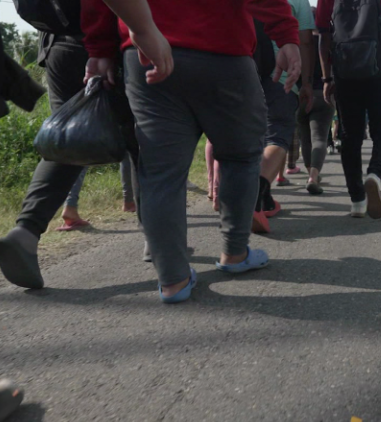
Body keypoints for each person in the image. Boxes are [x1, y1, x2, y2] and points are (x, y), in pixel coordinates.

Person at [82, 0, 301, 303]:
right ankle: (235, 253)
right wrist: (286, 34)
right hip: (223, 47)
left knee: (160, 171)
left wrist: (100, 48)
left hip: (144, 49)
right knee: (240, 156)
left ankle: (173, 279)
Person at [0, 0, 104, 289]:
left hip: (57, 47)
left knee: (66, 142)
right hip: (108, 41)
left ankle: (26, 232)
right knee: (143, 138)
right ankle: (162, 243)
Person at [316, 0, 381, 218]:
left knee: (350, 136)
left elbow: (323, 34)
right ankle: (375, 176)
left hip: (345, 71)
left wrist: (327, 77)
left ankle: (357, 201)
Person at [253, 0, 315, 233]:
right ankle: (255, 194)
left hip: (242, 68)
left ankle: (262, 199)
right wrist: (306, 82)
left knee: (246, 136)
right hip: (281, 76)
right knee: (278, 134)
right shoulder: (299, 2)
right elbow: (306, 41)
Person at [296, 7, 335, 195]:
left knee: (305, 138)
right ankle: (313, 175)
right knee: (319, 137)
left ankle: (309, 173)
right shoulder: (328, 40)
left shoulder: (300, 41)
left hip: (301, 93)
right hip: (325, 93)